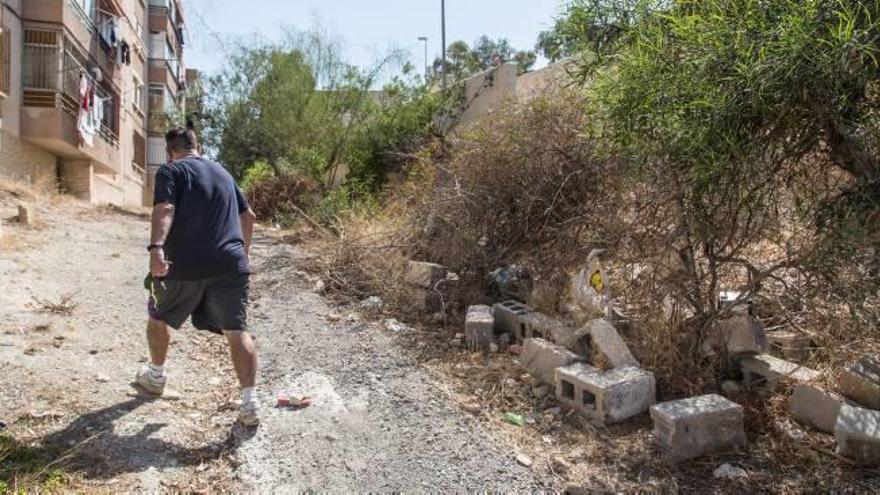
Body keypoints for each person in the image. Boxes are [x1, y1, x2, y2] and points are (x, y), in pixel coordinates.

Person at [135, 127, 260, 426]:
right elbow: (249, 217)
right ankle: (250, 404)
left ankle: (155, 376)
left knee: (157, 316)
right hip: (230, 265)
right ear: (198, 146)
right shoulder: (223, 173)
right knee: (236, 330)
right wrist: (243, 253)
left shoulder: (170, 171)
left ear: (169, 151)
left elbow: (165, 208)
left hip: (183, 265)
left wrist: (156, 248)